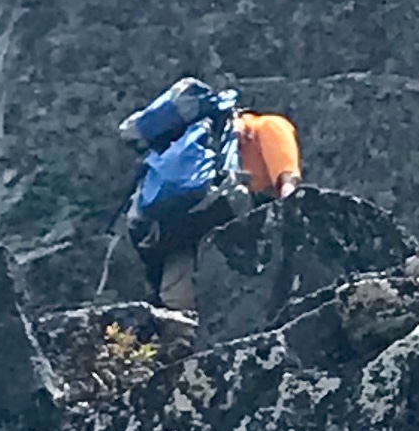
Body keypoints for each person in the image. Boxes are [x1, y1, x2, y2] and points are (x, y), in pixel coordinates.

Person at [116, 78, 302, 314]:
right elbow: (286, 176)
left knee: (176, 300)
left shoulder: (185, 146)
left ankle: (179, 334)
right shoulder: (268, 124)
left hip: (181, 222)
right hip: (241, 217)